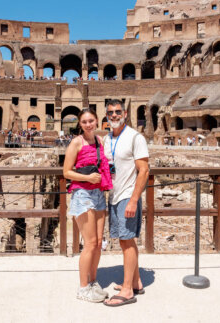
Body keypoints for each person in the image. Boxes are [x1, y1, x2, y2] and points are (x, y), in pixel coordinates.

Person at [63, 108, 113, 303]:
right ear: (80, 124)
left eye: (91, 120)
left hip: (99, 193)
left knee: (99, 242)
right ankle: (83, 288)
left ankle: (93, 282)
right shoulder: (76, 142)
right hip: (83, 194)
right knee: (90, 243)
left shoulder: (100, 141)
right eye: (84, 122)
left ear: (96, 121)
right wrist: (87, 177)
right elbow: (66, 172)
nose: (88, 124)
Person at [103, 99, 149, 307]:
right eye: (110, 112)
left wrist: (133, 200)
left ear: (125, 113)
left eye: (118, 112)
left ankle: (128, 290)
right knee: (125, 240)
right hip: (114, 195)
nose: (114, 115)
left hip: (127, 197)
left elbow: (144, 170)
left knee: (127, 242)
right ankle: (136, 281)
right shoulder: (106, 139)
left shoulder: (135, 137)